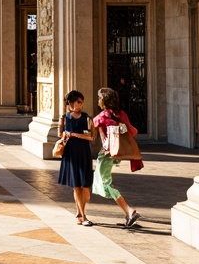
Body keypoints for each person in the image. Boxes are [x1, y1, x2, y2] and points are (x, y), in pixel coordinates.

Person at [91, 86, 141, 227]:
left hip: (106, 154)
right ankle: (127, 213)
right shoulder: (122, 114)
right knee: (104, 182)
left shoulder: (101, 117)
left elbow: (92, 130)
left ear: (103, 100)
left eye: (100, 98)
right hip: (116, 153)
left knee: (105, 184)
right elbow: (134, 131)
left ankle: (129, 210)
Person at [58, 89, 95, 225]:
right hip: (71, 154)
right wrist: (65, 135)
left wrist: (74, 134)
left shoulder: (87, 118)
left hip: (84, 153)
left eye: (81, 102)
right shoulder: (64, 118)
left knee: (85, 186)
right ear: (70, 103)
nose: (80, 105)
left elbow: (91, 136)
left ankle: (80, 211)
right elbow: (59, 133)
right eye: (78, 102)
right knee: (76, 185)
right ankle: (83, 216)